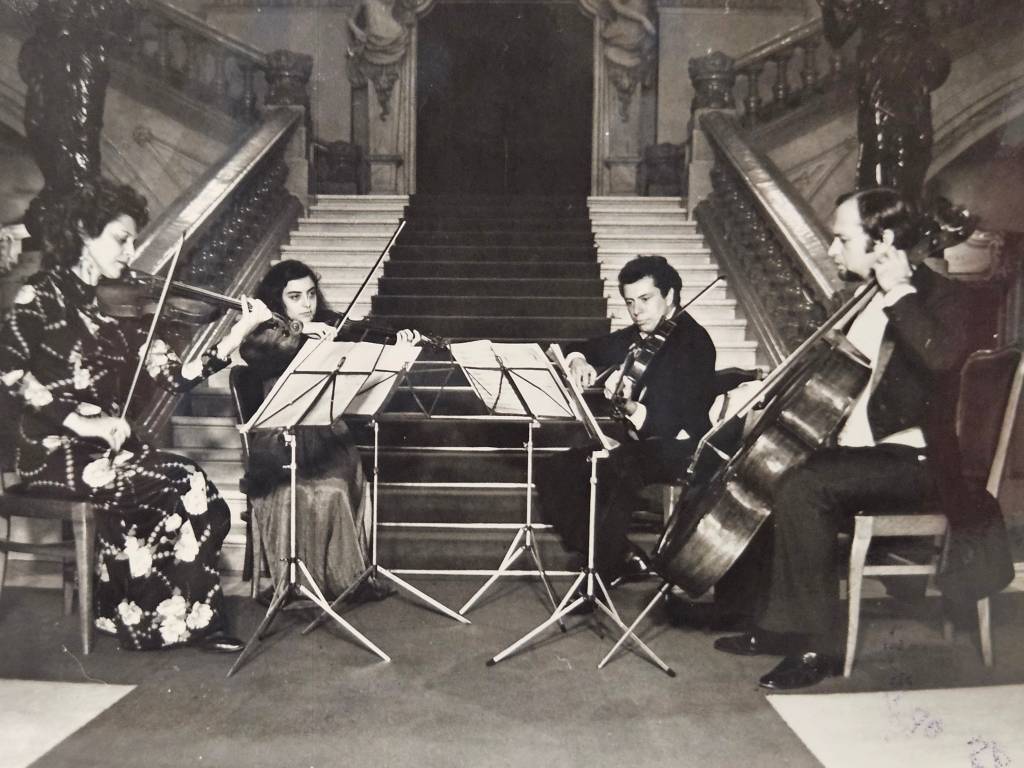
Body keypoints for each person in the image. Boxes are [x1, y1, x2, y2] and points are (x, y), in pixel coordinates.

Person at [712, 187, 975, 690]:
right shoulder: (858, 300)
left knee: (806, 486)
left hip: (914, 461)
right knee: (770, 461)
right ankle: (765, 621)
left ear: (885, 240)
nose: (832, 250)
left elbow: (942, 358)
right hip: (854, 456)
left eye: (842, 239)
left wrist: (900, 292)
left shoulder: (943, 297)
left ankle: (816, 647)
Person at [0, 177, 274, 652]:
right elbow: (9, 369)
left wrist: (238, 333)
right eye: (120, 239)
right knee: (178, 482)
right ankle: (175, 621)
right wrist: (80, 422)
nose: (130, 253)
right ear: (84, 231)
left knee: (203, 495)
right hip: (52, 451)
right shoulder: (39, 295)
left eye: (132, 241)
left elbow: (177, 376)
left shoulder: (123, 309)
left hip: (106, 451)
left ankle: (154, 613)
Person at [238, 259, 421, 605]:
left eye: (311, 294)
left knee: (337, 486)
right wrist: (299, 331)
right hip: (279, 439)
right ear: (277, 301)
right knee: (303, 493)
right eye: (295, 297)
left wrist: (397, 347)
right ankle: (295, 581)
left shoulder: (328, 329)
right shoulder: (263, 337)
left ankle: (342, 579)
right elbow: (254, 351)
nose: (307, 304)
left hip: (328, 436)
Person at [537, 255, 717, 592]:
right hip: (641, 445)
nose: (636, 311)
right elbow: (579, 347)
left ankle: (598, 577)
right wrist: (577, 360)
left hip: (682, 447)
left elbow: (670, 423)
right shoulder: (639, 336)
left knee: (619, 466)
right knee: (553, 470)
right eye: (630, 302)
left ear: (670, 296)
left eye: (645, 299)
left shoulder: (695, 343)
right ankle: (617, 555)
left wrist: (631, 407)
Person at [818, 0, 950, 204]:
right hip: (883, 71)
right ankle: (888, 204)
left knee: (913, 142)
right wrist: (828, 8)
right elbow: (837, 36)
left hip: (903, 71)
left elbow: (838, 34)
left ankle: (897, 203)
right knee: (885, 143)